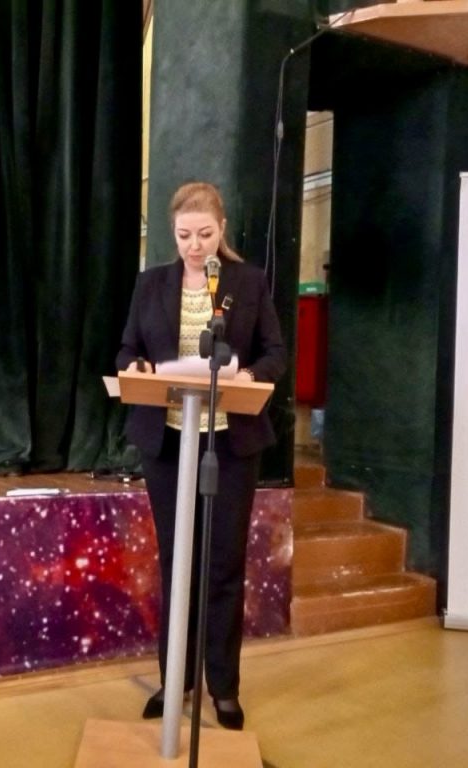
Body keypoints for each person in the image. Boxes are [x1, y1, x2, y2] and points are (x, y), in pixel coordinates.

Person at [116, 181, 285, 730]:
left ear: (222, 229)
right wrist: (135, 367)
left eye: (205, 235)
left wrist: (252, 375)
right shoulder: (150, 284)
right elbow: (127, 348)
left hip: (228, 445)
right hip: (168, 442)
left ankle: (224, 687)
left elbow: (275, 352)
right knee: (177, 562)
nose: (194, 246)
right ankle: (176, 682)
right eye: (184, 235)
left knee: (224, 564)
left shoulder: (247, 282)